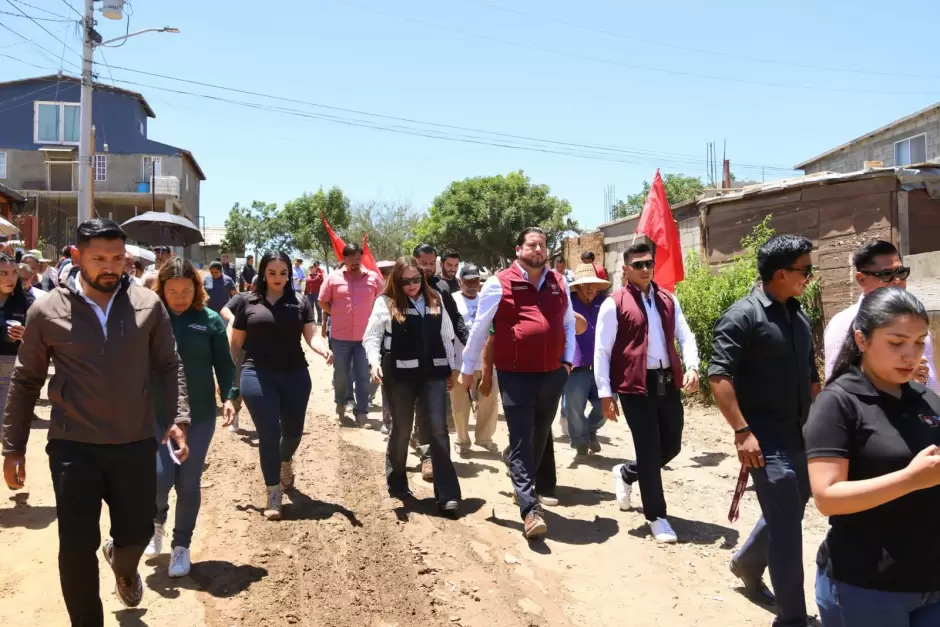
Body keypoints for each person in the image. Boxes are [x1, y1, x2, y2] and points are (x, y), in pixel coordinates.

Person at [2, 218, 190, 625]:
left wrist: (178, 417)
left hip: (134, 441)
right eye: (99, 259)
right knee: (75, 547)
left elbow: (168, 364)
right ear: (76, 256)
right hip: (74, 446)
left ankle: (123, 565)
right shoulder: (46, 310)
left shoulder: (147, 304)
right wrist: (13, 446)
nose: (110, 267)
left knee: (137, 533)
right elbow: (27, 379)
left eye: (117, 258)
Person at [803, 287, 940, 625]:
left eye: (919, 342)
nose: (911, 355)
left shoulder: (925, 398)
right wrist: (910, 479)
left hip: (931, 580)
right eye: (896, 343)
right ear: (861, 340)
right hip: (867, 587)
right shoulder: (838, 403)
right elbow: (827, 497)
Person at [709, 234, 820, 626]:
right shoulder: (743, 316)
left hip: (801, 434)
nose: (809, 276)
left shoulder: (799, 317)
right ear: (780, 273)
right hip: (764, 440)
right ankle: (792, 619)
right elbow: (719, 377)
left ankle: (747, 562)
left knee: (793, 504)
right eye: (804, 270)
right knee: (788, 526)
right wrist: (742, 432)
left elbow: (811, 378)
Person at [460, 227, 575, 539]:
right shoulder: (498, 283)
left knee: (539, 435)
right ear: (518, 249)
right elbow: (480, 329)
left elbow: (568, 323)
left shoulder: (558, 281)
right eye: (532, 245)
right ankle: (529, 509)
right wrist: (468, 369)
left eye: (542, 245)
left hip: (552, 373)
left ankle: (518, 473)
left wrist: (567, 363)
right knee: (523, 437)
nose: (538, 250)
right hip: (515, 375)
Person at [596, 244, 700, 543]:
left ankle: (627, 473)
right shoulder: (614, 304)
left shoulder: (668, 299)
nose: (645, 269)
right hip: (634, 385)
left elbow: (684, 335)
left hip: (666, 381)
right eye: (638, 264)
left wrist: (692, 366)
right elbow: (602, 351)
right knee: (649, 448)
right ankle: (657, 517)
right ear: (625, 269)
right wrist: (605, 393)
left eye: (649, 264)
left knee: (672, 445)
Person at [145, 258, 237, 577]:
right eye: (173, 291)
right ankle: (156, 521)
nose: (180, 297)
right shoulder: (151, 319)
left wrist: (229, 397)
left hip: (199, 414)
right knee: (160, 477)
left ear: (197, 288)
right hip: (157, 413)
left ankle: (181, 546)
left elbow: (224, 365)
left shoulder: (209, 321)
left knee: (187, 482)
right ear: (161, 290)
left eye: (186, 290)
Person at [231, 251, 331, 520]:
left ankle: (285, 460)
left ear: (290, 274)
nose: (278, 278)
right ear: (263, 273)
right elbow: (237, 342)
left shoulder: (299, 302)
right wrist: (232, 381)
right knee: (268, 433)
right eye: (272, 273)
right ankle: (273, 491)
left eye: (283, 273)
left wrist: (323, 349)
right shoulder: (248, 302)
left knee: (293, 432)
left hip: (295, 374)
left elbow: (311, 336)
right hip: (256, 373)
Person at [363, 258, 461, 512]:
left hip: (433, 373)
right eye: (405, 281)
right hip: (399, 376)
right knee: (402, 429)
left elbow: (446, 336)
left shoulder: (435, 299)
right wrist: (374, 363)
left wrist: (451, 368)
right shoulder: (385, 302)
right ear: (396, 281)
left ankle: (448, 493)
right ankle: (397, 483)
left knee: (438, 429)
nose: (412, 285)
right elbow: (372, 336)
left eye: (416, 279)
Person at [824, 239, 937, 392]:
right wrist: (901, 377)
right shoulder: (843, 324)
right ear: (861, 279)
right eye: (887, 274)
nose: (897, 280)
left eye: (901, 272)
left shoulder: (915, 318)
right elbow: (837, 387)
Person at [413, 244, 470, 479]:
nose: (427, 268)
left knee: (434, 409)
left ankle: (430, 456)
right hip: (409, 358)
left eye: (431, 263)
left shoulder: (442, 287)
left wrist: (469, 342)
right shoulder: (404, 286)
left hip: (438, 357)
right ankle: (421, 450)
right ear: (414, 261)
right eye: (423, 263)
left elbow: (456, 319)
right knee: (419, 408)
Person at [318, 243, 385, 427]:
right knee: (341, 374)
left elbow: (382, 300)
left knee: (363, 375)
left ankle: (361, 412)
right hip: (340, 337)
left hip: (365, 338)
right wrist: (336, 313)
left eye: (358, 258)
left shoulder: (373, 278)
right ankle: (341, 402)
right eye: (351, 258)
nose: (355, 262)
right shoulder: (333, 278)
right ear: (344, 259)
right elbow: (322, 301)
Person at [450, 264, 499, 457]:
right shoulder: (452, 300)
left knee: (490, 401)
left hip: (487, 362)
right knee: (460, 405)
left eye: (475, 281)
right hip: (460, 363)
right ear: (460, 282)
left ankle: (484, 438)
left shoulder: (487, 299)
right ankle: (462, 441)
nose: (472, 285)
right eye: (468, 281)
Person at [565, 263, 611, 459]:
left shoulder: (606, 303)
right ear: (577, 286)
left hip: (603, 365)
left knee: (606, 404)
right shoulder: (567, 304)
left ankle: (590, 430)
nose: (591, 288)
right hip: (576, 366)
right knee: (573, 408)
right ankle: (581, 442)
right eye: (586, 285)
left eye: (593, 284)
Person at [220, 277, 256, 433]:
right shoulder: (241, 297)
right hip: (241, 348)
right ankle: (234, 415)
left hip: (260, 349)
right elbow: (224, 310)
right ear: (251, 286)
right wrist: (233, 318)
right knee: (237, 384)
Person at [0, 254, 34, 411]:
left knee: (6, 415)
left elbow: (42, 335)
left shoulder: (26, 302)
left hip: (12, 365)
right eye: (3, 273)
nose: (11, 278)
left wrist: (25, 334)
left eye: (14, 272)